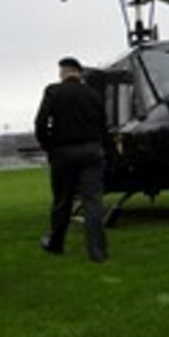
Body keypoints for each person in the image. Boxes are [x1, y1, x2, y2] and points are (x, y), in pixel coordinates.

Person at [34, 56, 109, 262]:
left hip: (64, 153)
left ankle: (56, 243)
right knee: (92, 202)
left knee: (62, 201)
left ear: (63, 72)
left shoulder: (53, 91)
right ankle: (97, 251)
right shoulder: (93, 94)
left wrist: (49, 146)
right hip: (92, 151)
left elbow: (41, 123)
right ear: (79, 72)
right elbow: (103, 126)